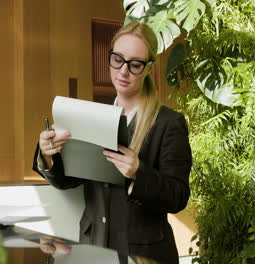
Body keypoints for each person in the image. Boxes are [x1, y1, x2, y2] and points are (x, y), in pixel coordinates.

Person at [32, 21, 192, 264]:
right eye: (118, 59)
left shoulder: (168, 123)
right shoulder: (93, 118)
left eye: (135, 64)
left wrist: (139, 173)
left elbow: (178, 197)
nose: (123, 71)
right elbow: (68, 181)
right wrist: (48, 155)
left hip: (144, 255)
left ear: (148, 68)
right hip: (93, 247)